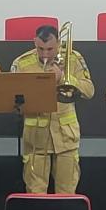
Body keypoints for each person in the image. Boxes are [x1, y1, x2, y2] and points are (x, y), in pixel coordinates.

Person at [11, 25, 94, 194]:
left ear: (59, 43)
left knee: (67, 193)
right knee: (35, 193)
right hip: (35, 139)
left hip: (66, 138)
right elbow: (12, 101)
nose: (45, 54)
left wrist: (63, 78)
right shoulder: (22, 62)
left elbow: (89, 91)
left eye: (50, 49)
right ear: (34, 42)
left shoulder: (73, 58)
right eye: (40, 49)